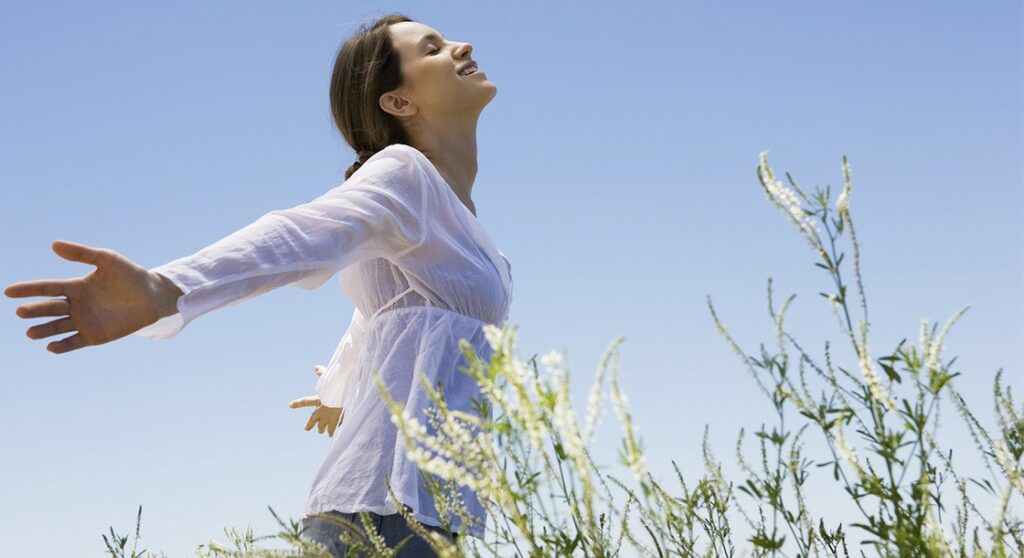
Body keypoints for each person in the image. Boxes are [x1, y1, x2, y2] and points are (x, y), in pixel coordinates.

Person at [4, 13, 509, 557]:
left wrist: (339, 391)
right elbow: (297, 234)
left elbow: (377, 309)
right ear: (398, 102)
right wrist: (168, 288)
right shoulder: (405, 175)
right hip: (386, 514)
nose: (461, 45)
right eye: (432, 49)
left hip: (426, 510)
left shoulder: (465, 227)